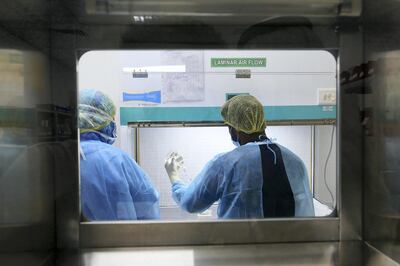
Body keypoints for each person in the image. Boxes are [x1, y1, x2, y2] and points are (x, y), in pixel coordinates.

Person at [165, 95, 314, 219]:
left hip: (240, 248)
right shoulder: (296, 162)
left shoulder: (225, 164)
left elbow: (191, 203)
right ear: (263, 123)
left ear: (233, 129)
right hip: (293, 248)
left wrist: (174, 177)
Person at [79, 89, 159, 220]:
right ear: (106, 122)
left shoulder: (56, 155)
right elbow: (148, 208)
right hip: (120, 239)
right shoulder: (117, 160)